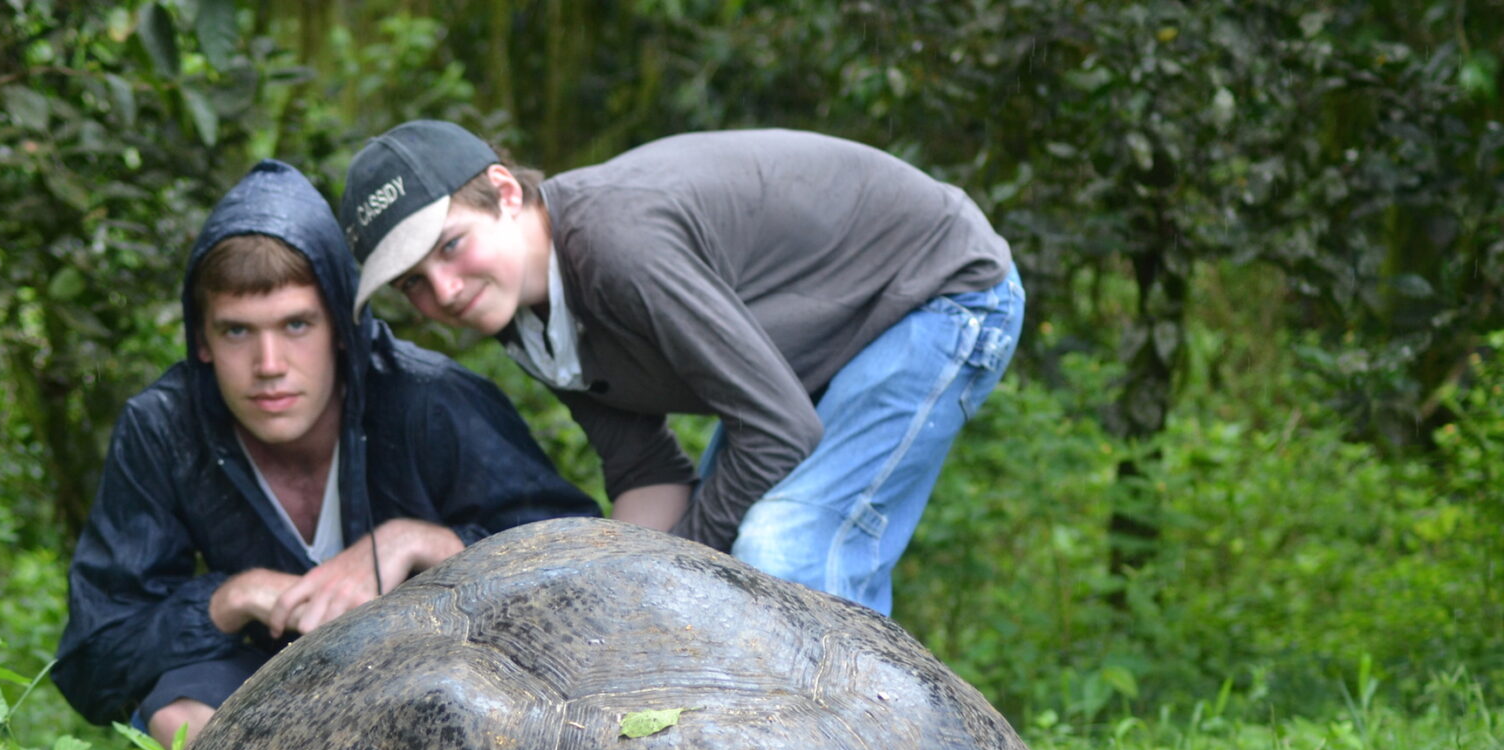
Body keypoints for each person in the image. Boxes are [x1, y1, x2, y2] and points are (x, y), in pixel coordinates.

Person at [340, 121, 1024, 616]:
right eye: (414, 283)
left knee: (782, 550)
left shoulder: (616, 247)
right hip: (826, 341)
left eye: (451, 246)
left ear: (504, 194)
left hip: (939, 295)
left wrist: (678, 574)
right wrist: (623, 600)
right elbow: (645, 471)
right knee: (703, 564)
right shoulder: (521, 311)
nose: (445, 291)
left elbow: (778, 431)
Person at [54, 160, 596, 747]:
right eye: (237, 331)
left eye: (296, 325)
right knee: (178, 707)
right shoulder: (164, 428)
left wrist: (422, 542)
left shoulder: (429, 399)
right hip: (268, 691)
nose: (269, 365)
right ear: (202, 341)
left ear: (341, 326)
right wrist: (229, 596)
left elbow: (580, 567)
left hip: (439, 681)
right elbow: (93, 657)